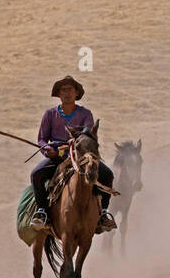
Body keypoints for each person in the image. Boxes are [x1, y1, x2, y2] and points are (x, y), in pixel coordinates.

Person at [29, 75, 117, 233]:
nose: (67, 93)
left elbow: (88, 135)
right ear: (59, 94)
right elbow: (42, 139)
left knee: (107, 175)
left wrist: (74, 143)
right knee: (36, 174)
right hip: (56, 158)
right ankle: (42, 211)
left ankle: (103, 213)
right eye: (64, 90)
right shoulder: (50, 114)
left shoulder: (85, 114)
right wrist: (47, 150)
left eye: (70, 90)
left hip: (81, 158)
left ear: (77, 93)